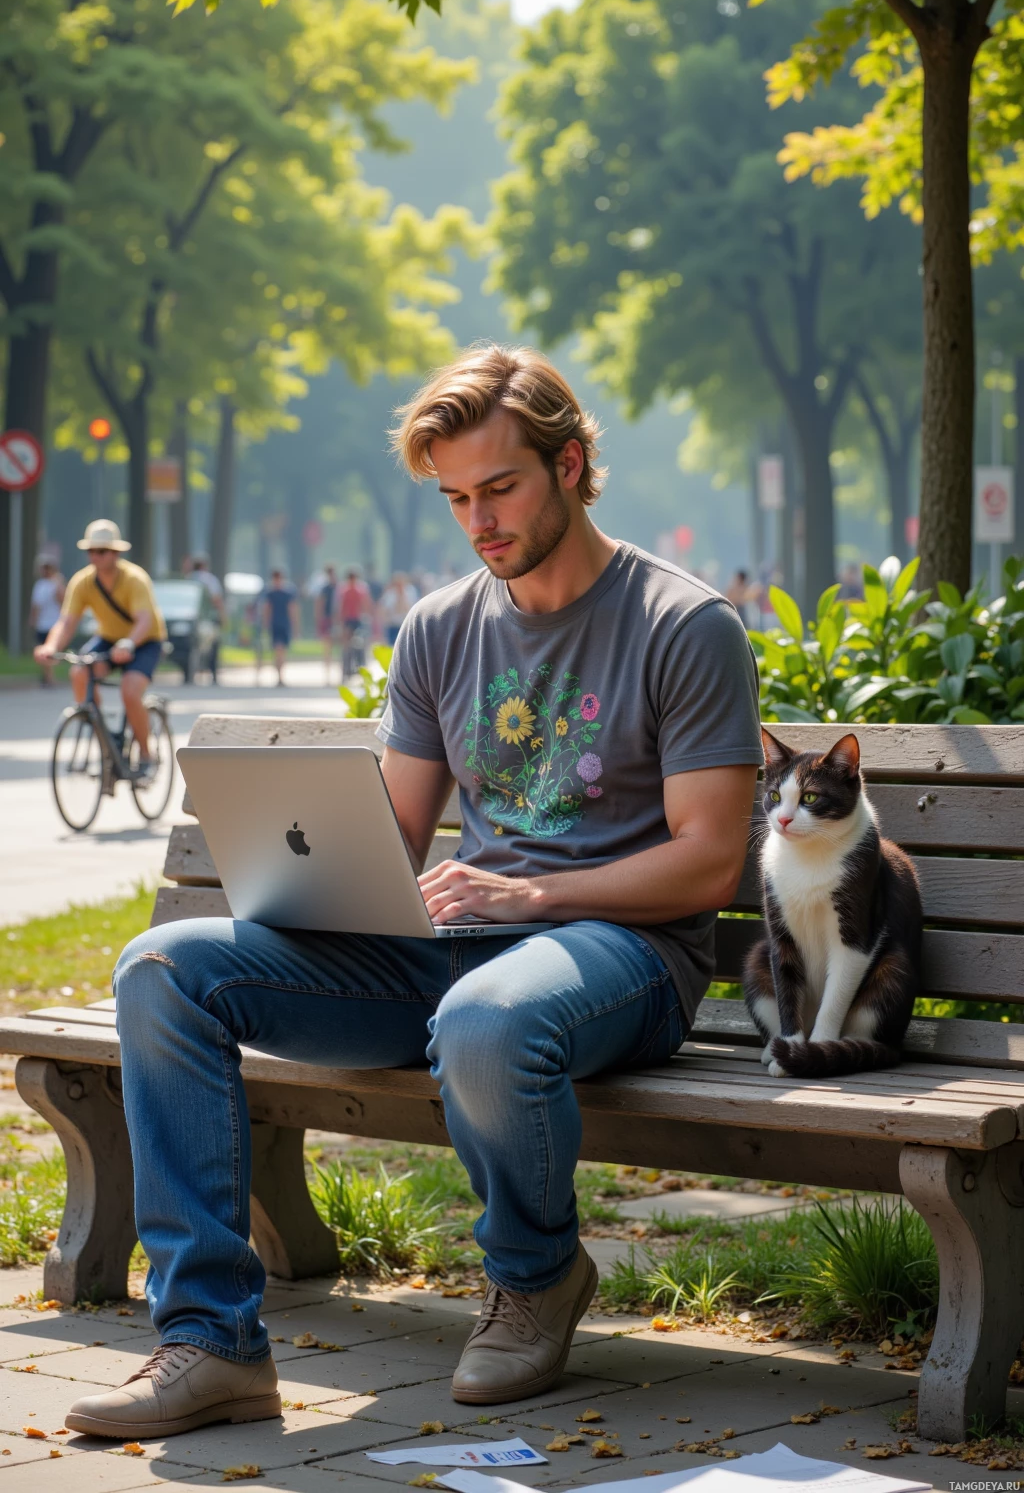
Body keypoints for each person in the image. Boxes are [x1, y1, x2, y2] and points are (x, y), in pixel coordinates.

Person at [69, 344, 761, 1441]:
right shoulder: (441, 626)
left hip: (620, 954)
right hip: (452, 945)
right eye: (454, 499)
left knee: (484, 1024)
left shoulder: (683, 626)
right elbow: (391, 831)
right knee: (163, 970)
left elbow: (710, 861)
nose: (477, 522)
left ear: (572, 464)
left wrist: (535, 898)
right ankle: (211, 1341)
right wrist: (311, 877)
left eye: (500, 489)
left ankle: (535, 1276)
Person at [34, 520, 167, 778]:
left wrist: (129, 643)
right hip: (108, 638)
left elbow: (144, 620)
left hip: (144, 641)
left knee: (130, 690)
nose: (96, 556)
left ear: (116, 553)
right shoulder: (82, 582)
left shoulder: (134, 579)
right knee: (80, 672)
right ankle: (104, 737)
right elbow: (66, 622)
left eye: (102, 551)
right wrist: (50, 646)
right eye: (91, 551)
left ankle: (147, 755)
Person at [30, 556, 66, 686]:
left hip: (54, 624)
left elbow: (63, 601)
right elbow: (36, 605)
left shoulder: (56, 584)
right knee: (42, 651)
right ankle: (47, 676)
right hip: (42, 624)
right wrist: (33, 619)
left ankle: (50, 677)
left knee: (51, 652)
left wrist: (59, 584)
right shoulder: (39, 585)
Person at [190, 556, 224, 684]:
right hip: (207, 619)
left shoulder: (189, 579)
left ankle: (192, 674)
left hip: (190, 619)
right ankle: (213, 674)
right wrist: (222, 615)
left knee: (193, 647)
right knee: (212, 647)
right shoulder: (209, 579)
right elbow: (216, 599)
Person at [262, 569, 299, 687]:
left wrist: (295, 625)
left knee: (281, 651)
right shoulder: (270, 593)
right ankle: (279, 676)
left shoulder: (287, 593)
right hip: (275, 624)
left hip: (284, 624)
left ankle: (280, 675)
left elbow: (292, 609)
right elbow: (267, 609)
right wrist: (265, 623)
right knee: (278, 650)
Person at [338, 567, 372, 678]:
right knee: (347, 646)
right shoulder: (344, 590)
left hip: (358, 619)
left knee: (360, 645)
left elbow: (365, 604)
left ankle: (360, 669)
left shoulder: (361, 589)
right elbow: (341, 607)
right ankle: (346, 670)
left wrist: (366, 617)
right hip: (348, 620)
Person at [314, 563, 340, 685]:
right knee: (327, 647)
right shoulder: (325, 589)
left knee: (339, 647)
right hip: (328, 619)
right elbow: (320, 604)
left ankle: (339, 673)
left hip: (337, 619)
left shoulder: (339, 587)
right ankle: (328, 674)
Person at [378, 570, 416, 645]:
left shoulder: (410, 592)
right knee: (392, 645)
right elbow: (384, 609)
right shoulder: (390, 594)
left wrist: (402, 597)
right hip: (392, 625)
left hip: (405, 624)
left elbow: (411, 608)